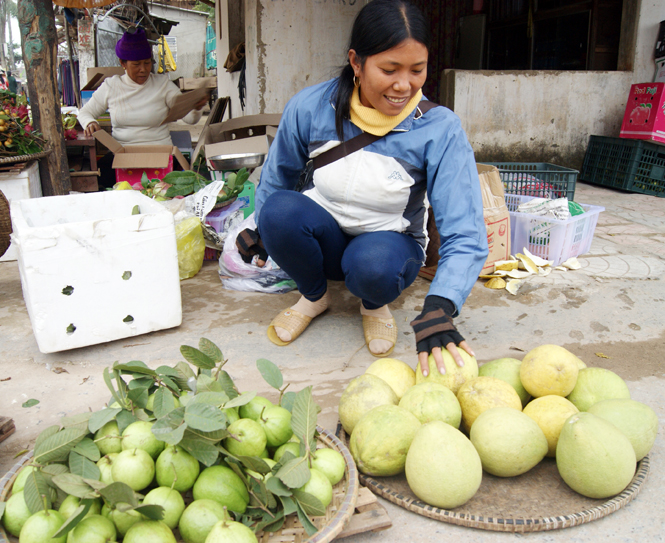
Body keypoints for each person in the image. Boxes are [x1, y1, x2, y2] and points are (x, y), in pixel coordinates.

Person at [253, 0, 488, 375]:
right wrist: (258, 230)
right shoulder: (311, 106)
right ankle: (314, 297)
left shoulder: (439, 129)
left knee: (373, 266)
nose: (403, 85)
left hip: (389, 245)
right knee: (277, 212)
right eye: (389, 69)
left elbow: (465, 229)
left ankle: (373, 305)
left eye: (417, 70)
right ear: (357, 63)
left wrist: (441, 305)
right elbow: (277, 175)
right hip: (325, 234)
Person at [77, 27, 207, 188]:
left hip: (161, 155)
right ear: (122, 63)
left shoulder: (162, 84)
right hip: (123, 156)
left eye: (147, 63)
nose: (143, 69)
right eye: (136, 64)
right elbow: (84, 113)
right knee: (103, 179)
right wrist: (89, 122)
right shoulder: (112, 86)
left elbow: (190, 119)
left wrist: (195, 106)